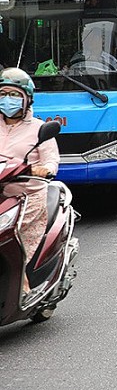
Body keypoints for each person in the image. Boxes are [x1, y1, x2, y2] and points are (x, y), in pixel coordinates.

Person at [0, 68, 59, 296]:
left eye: (14, 95)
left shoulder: (38, 129)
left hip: (27, 196)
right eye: (3, 93)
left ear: (27, 99)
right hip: (2, 194)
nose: (7, 99)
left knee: (13, 236)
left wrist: (45, 169)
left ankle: (22, 285)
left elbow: (51, 159)